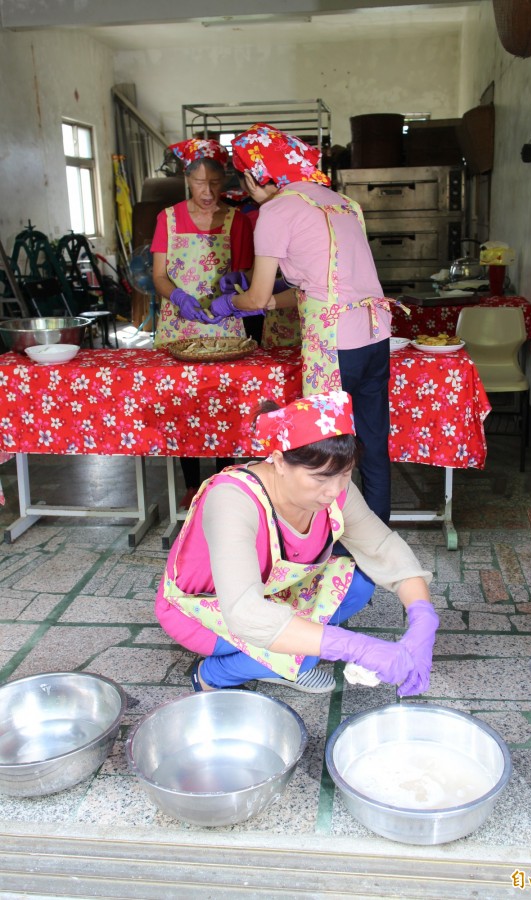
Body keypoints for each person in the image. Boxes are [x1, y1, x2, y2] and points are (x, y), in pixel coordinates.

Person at [155, 391, 439, 695]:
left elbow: (383, 549)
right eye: (319, 478)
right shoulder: (232, 499)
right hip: (203, 610)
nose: (334, 490)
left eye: (344, 475)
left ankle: (277, 656)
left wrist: (423, 619)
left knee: (359, 585)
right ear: (279, 461)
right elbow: (245, 612)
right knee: (302, 655)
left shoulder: (335, 489)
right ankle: (213, 674)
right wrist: (353, 646)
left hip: (274, 593)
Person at [210, 123, 393, 523]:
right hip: (376, 335)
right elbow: (323, 285)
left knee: (325, 451)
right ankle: (377, 538)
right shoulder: (343, 203)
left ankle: (328, 542)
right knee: (373, 445)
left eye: (245, 176)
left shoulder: (276, 210)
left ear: (258, 175)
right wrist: (269, 301)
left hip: (335, 345)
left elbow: (255, 297)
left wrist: (228, 303)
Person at [150, 137, 258, 503]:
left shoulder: (237, 220)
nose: (208, 191)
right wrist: (178, 297)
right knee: (182, 405)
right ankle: (191, 486)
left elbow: (244, 275)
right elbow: (159, 276)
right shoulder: (167, 218)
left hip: (222, 325)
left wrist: (235, 286)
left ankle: (224, 482)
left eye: (215, 183)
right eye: (200, 183)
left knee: (223, 403)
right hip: (178, 326)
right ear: (187, 180)